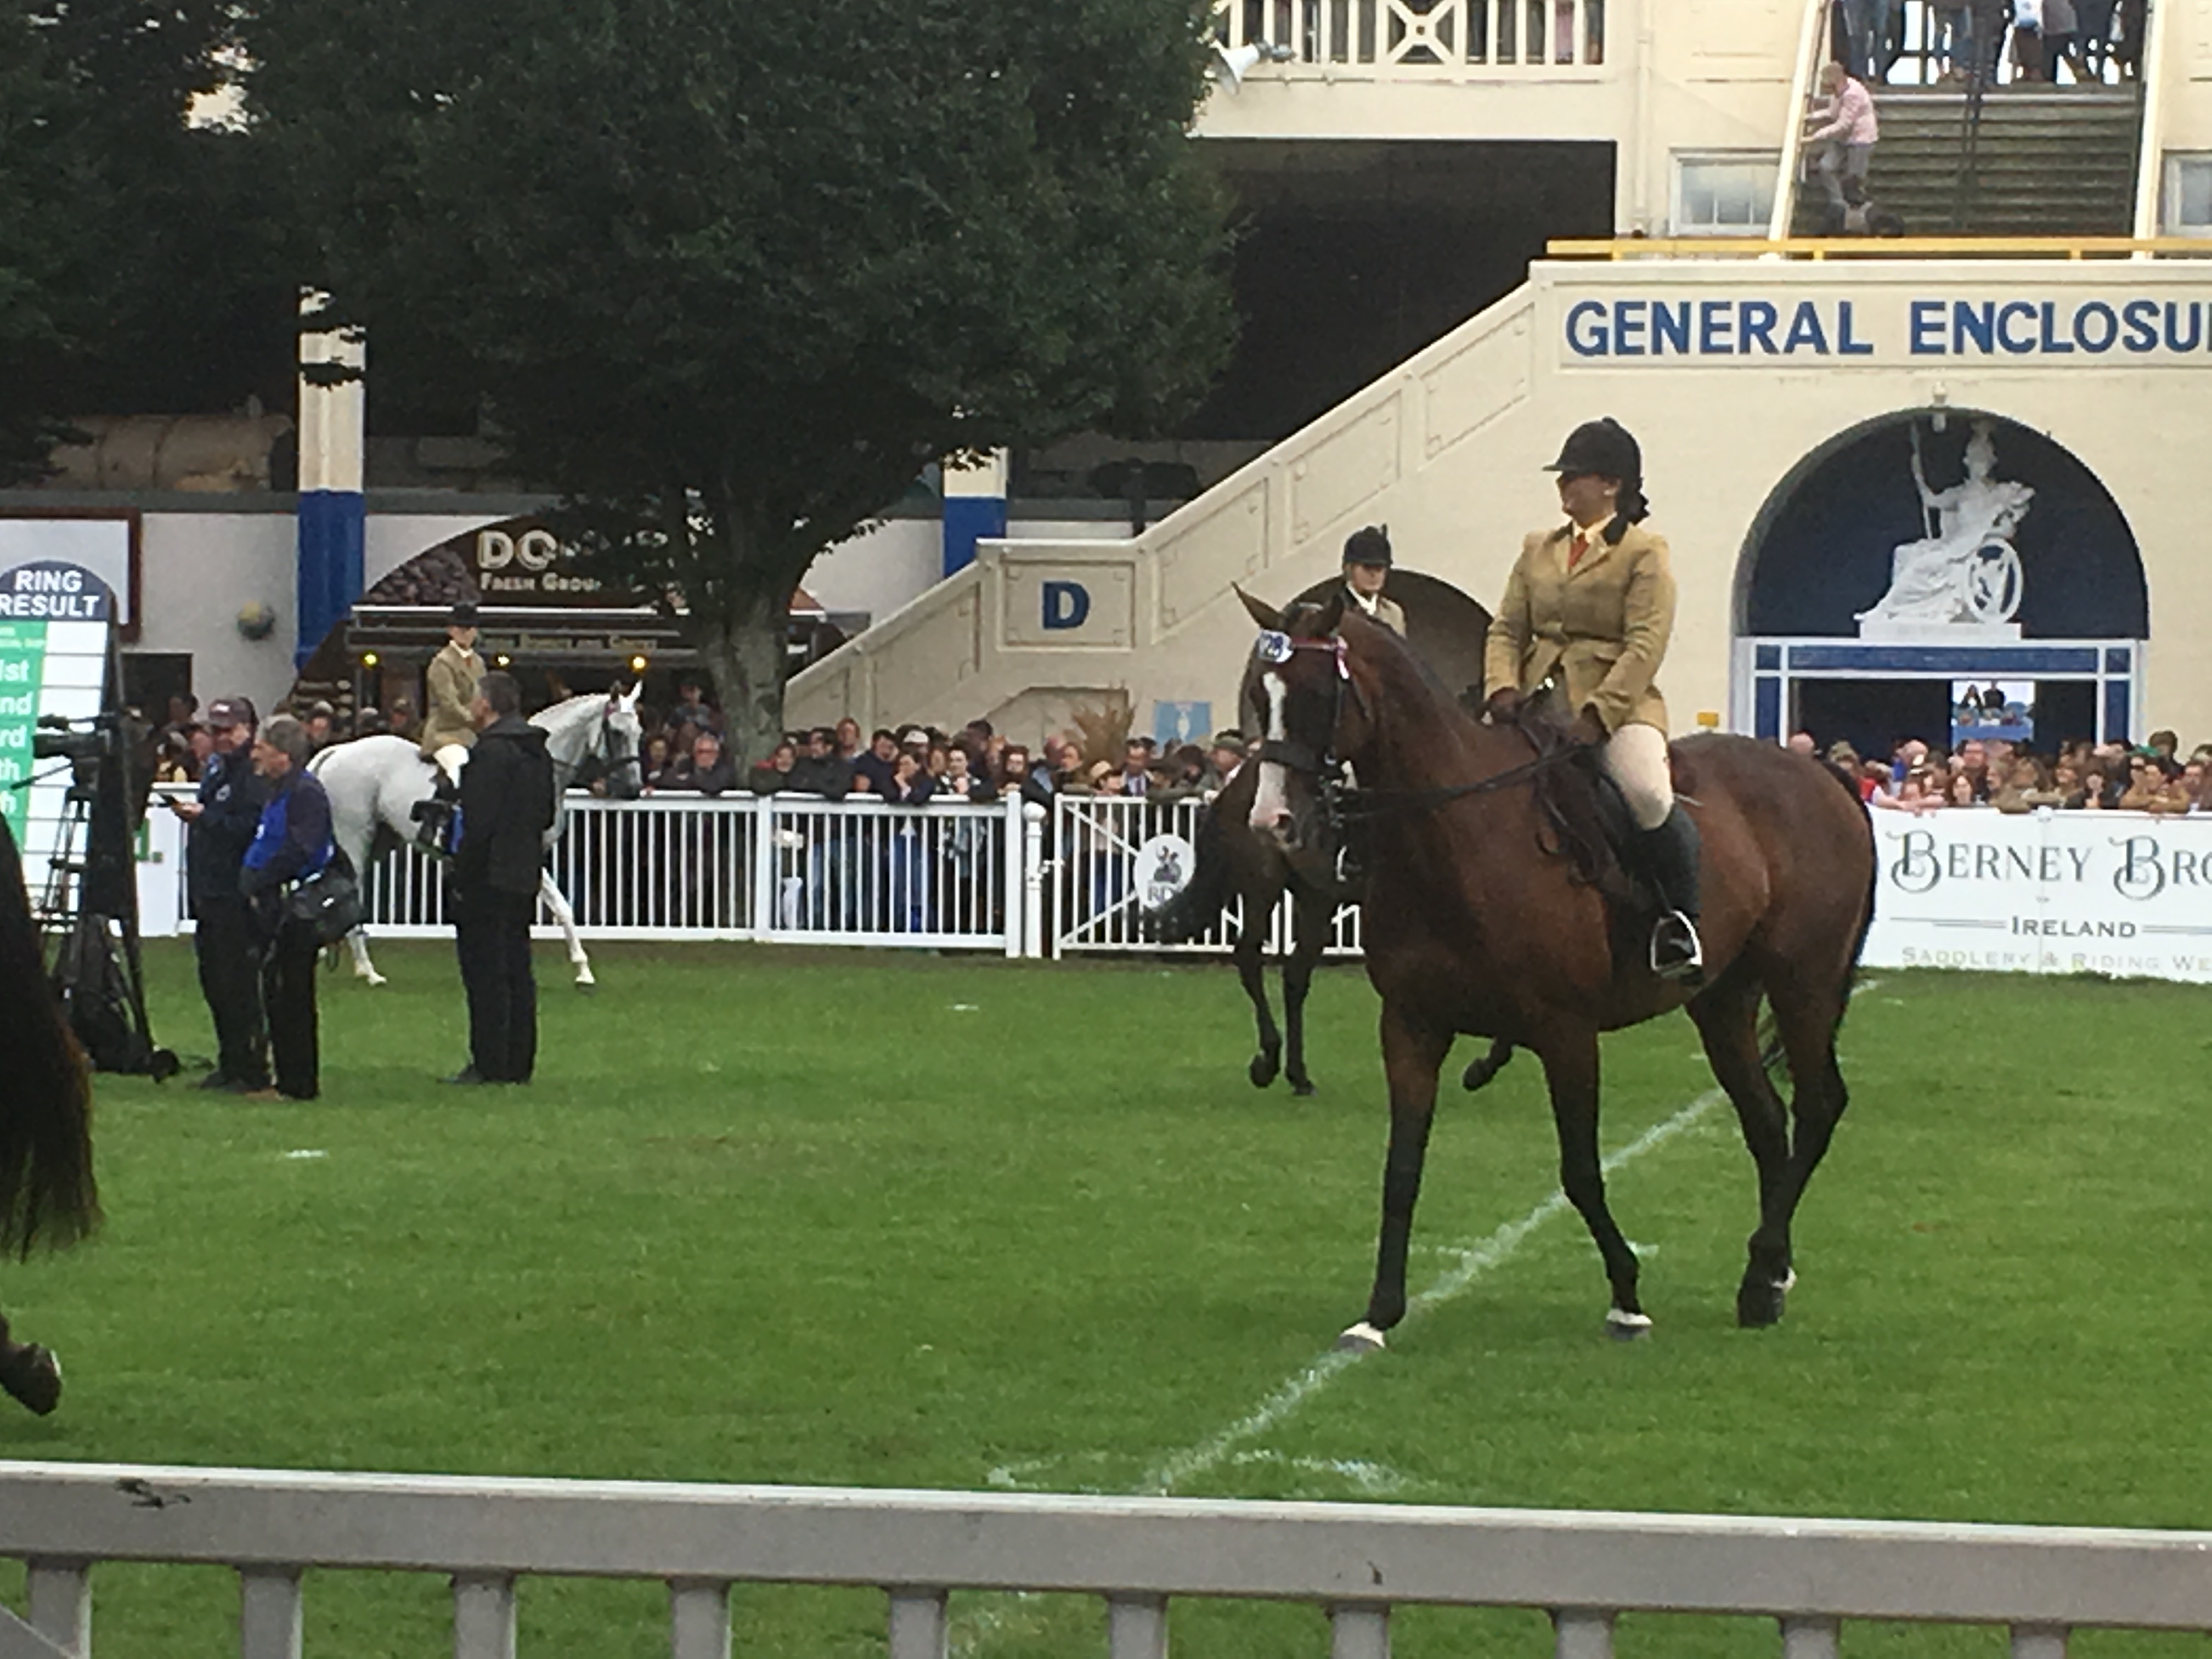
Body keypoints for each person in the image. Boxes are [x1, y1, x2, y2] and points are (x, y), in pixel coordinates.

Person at [1483, 416, 1703, 981]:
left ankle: (1678, 920)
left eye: (1574, 475)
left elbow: (1646, 643)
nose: (1563, 484)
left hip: (1618, 707)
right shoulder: (1538, 548)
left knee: (1647, 794)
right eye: (1562, 475)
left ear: (1611, 484)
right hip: (1534, 702)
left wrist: (1599, 715)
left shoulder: (1644, 552)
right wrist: (1501, 686)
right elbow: (1507, 628)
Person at [447, 671, 556, 1085]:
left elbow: (479, 824)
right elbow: (546, 814)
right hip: (522, 871)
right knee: (517, 968)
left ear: (487, 704)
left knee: (485, 971)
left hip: (488, 876)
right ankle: (518, 1060)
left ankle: (490, 1060)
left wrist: (462, 872)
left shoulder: (490, 753)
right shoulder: (537, 752)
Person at [170, 696, 269, 1092]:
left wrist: (205, 817)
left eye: (230, 730)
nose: (222, 737)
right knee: (215, 980)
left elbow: (251, 826)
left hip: (235, 893)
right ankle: (230, 1061)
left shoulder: (253, 773)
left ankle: (250, 1065)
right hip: (209, 891)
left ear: (249, 729)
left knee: (238, 982)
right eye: (217, 730)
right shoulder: (217, 768)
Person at [239, 715, 336, 1102]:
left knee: (292, 993)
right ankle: (285, 1077)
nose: (255, 755)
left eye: (262, 748)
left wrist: (263, 878)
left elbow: (302, 848)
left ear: (283, 753)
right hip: (276, 902)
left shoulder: (305, 792)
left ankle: (298, 1083)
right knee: (278, 992)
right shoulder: (281, 789)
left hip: (296, 907)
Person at [420, 602, 487, 787]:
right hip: (446, 733)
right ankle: (456, 802)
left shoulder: (478, 662)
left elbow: (483, 695)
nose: (466, 633)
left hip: (474, 734)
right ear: (451, 631)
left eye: (470, 629)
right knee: (459, 764)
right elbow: (449, 703)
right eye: (461, 629)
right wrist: (476, 720)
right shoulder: (442, 663)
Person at [1804, 63, 1878, 216]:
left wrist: (1819, 135)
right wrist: (1812, 117)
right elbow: (1833, 113)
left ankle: (1859, 213)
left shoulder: (1853, 94)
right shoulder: (1838, 94)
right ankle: (1838, 203)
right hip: (1842, 138)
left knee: (1854, 178)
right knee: (1826, 166)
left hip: (1861, 139)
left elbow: (1844, 124)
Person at [1341, 526, 1407, 637]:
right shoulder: (1335, 612)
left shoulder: (1394, 613)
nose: (1373, 574)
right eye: (1367, 568)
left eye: (1379, 568)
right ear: (1350, 569)